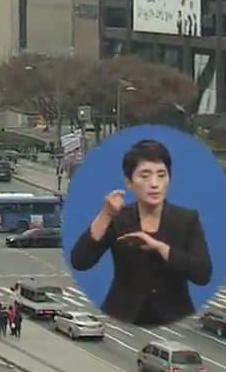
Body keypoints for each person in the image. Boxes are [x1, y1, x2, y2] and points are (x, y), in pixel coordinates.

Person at [70, 139, 212, 326]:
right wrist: (106, 214)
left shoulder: (186, 220)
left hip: (175, 316)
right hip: (122, 314)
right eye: (145, 176)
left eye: (161, 175)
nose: (154, 184)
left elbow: (203, 273)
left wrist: (160, 248)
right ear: (129, 182)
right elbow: (80, 261)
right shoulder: (119, 219)